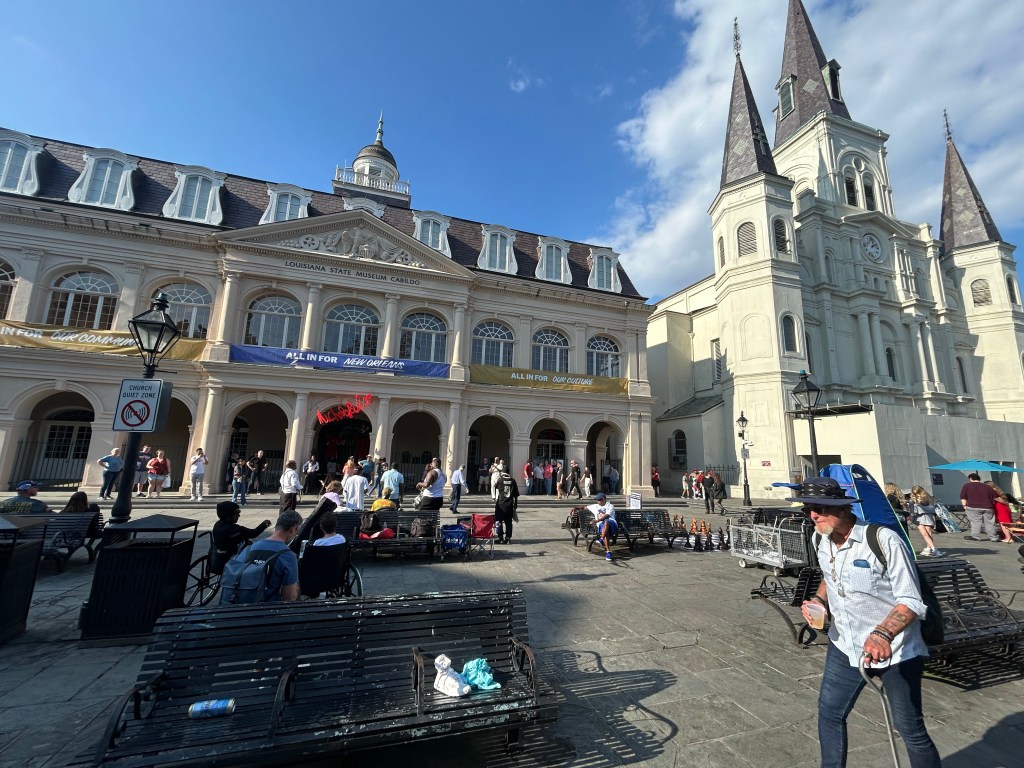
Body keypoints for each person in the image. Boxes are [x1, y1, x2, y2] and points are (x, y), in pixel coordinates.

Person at [795, 477, 940, 768]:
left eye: (821, 508)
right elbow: (830, 576)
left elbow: (911, 600)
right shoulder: (820, 539)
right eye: (809, 508)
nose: (813, 515)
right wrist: (820, 600)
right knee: (830, 713)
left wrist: (883, 633)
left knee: (909, 727)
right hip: (845, 645)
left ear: (844, 508)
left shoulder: (883, 540)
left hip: (897, 651)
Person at [246, 510, 302, 602]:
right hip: (269, 607)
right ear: (293, 530)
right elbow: (290, 596)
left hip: (243, 603)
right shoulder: (288, 556)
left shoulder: (250, 548)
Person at [960, 472, 1000, 542]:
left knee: (975, 522)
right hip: (988, 507)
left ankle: (975, 536)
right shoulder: (988, 487)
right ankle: (993, 537)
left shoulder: (967, 486)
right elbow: (995, 497)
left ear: (970, 478)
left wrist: (964, 505)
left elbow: (963, 497)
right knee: (990, 523)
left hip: (973, 507)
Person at [908, 485, 945, 557]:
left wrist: (917, 503)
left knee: (927, 533)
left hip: (923, 516)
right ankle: (931, 549)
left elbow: (929, 506)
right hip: (923, 516)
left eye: (917, 493)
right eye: (915, 493)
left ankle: (932, 549)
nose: (916, 494)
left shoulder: (925, 498)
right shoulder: (925, 497)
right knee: (926, 533)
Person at [587, 492, 617, 561]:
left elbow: (607, 515)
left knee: (606, 521)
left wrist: (597, 520)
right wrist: (574, 508)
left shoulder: (610, 506)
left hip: (612, 523)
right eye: (597, 500)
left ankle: (601, 539)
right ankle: (608, 552)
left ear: (604, 499)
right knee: (606, 532)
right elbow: (584, 507)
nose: (598, 501)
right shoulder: (595, 506)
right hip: (602, 526)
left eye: (599, 500)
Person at [494, 470, 520, 544]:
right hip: (509, 505)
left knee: (498, 522)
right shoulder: (513, 481)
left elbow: (495, 486)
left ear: (502, 473)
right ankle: (508, 538)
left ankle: (500, 538)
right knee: (508, 522)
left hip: (501, 505)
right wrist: (516, 504)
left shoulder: (500, 480)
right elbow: (516, 494)